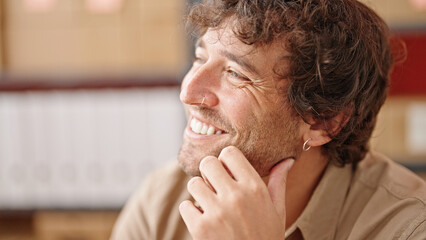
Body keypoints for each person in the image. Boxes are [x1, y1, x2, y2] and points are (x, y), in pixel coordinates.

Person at [110, 0, 426, 239]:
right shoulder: (163, 201)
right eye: (200, 57)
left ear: (323, 121)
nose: (188, 92)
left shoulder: (408, 227)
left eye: (235, 74)